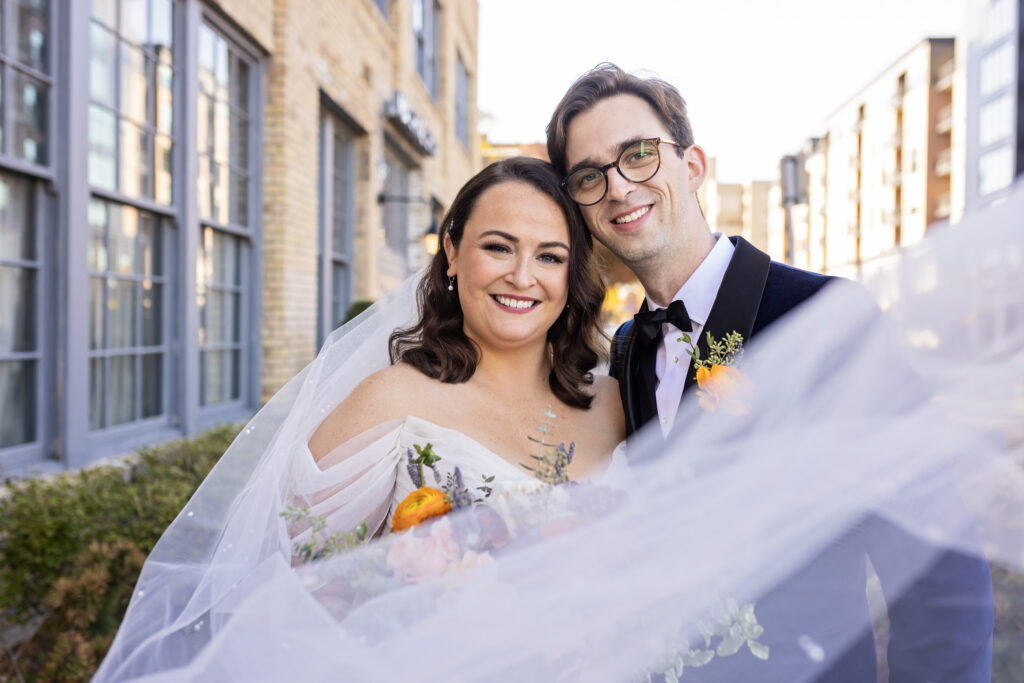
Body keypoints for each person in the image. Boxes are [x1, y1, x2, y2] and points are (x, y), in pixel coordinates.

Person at [544, 63, 994, 681]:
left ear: (694, 165)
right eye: (590, 176)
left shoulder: (824, 317)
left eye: (639, 155)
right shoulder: (628, 350)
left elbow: (939, 576)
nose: (619, 187)